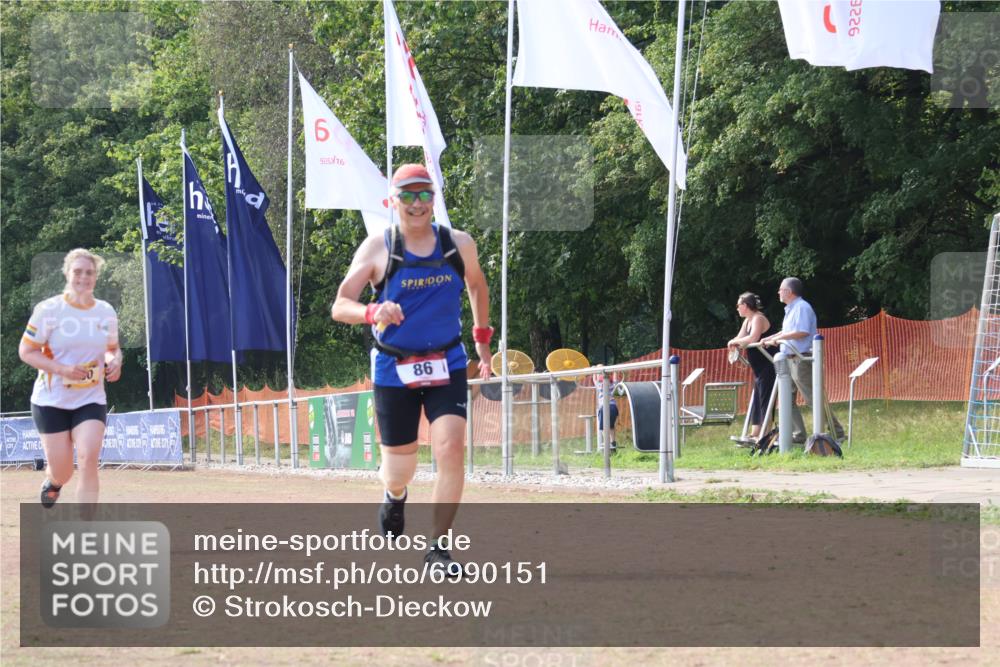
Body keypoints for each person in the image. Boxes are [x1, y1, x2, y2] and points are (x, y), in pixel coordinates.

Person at [331, 163, 491, 577]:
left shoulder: (458, 244)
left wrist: (482, 342)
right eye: (408, 195)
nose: (417, 203)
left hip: (447, 361)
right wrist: (372, 310)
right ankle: (394, 493)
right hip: (393, 367)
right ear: (393, 201)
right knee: (401, 467)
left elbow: (477, 285)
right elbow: (339, 304)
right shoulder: (377, 249)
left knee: (450, 449)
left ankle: (438, 549)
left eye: (424, 194)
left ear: (433, 199)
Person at [18, 248, 122, 509]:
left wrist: (115, 361)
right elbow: (26, 351)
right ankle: (53, 481)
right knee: (63, 471)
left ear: (96, 277)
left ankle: (86, 531)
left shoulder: (106, 311)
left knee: (88, 458)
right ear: (66, 273)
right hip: (51, 401)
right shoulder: (49, 310)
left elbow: (111, 348)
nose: (83, 277)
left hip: (90, 398)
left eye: (89, 272)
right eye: (78, 271)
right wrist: (61, 369)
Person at [760, 277, 844, 443]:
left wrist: (778, 338)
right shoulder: (791, 309)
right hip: (788, 359)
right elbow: (786, 331)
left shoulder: (802, 308)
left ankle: (837, 433)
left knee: (813, 398)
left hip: (800, 358)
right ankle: (798, 435)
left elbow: (802, 332)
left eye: (780, 289)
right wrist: (768, 339)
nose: (778, 292)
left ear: (789, 292)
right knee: (786, 400)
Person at [727, 292, 776, 440]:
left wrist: (736, 343)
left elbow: (753, 338)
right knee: (757, 398)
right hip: (758, 368)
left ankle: (765, 434)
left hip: (769, 364)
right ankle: (755, 433)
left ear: (746, 306)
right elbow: (740, 337)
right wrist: (732, 341)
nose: (737, 308)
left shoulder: (758, 318)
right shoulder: (747, 320)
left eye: (738, 305)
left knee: (765, 398)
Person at [593, 366, 619, 451]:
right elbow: (615, 377)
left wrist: (594, 371)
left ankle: (607, 444)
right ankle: (613, 443)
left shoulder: (600, 385)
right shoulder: (613, 385)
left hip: (604, 407)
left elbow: (595, 379)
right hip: (613, 406)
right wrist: (613, 370)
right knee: (611, 426)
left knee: (603, 428)